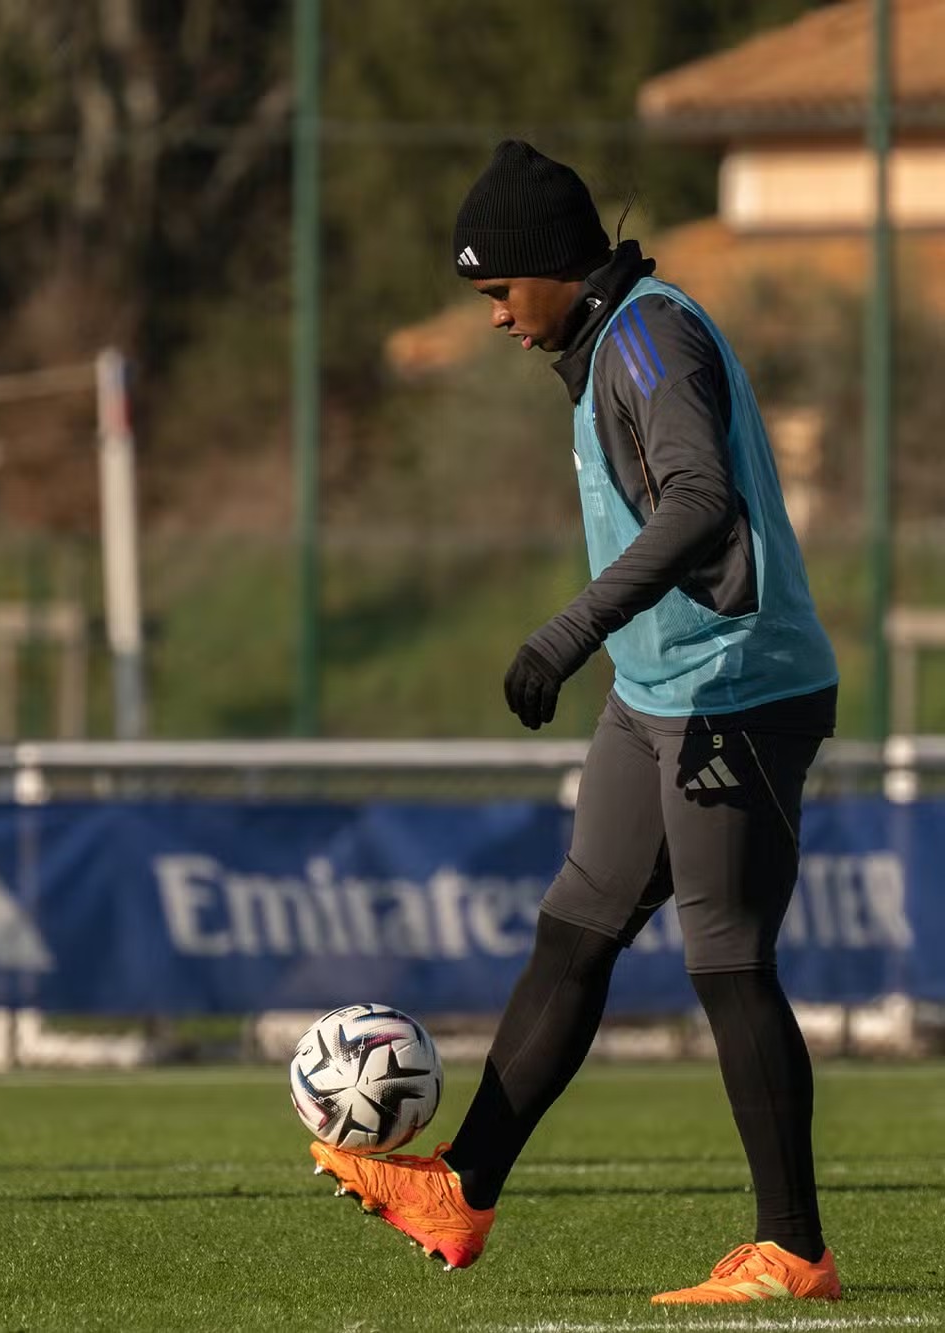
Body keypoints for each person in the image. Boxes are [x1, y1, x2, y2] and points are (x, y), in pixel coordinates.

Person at [311, 139, 842, 1306]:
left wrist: (566, 632)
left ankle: (793, 1250)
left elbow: (702, 504)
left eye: (499, 290)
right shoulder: (603, 341)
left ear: (556, 265)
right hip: (656, 696)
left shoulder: (649, 333)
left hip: (736, 694)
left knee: (727, 958)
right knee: (573, 931)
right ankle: (464, 1190)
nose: (496, 317)